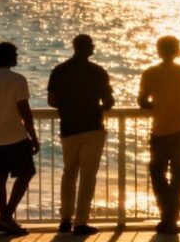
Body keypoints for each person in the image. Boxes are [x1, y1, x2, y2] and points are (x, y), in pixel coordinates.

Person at [47, 34, 115, 235]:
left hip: (68, 128)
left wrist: (69, 107)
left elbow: (52, 100)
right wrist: (98, 107)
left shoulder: (59, 70)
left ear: (74, 47)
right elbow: (109, 101)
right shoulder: (98, 71)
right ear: (89, 48)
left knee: (69, 173)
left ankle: (65, 219)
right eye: (92, 45)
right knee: (87, 176)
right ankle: (81, 222)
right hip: (93, 127)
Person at [0, 42, 39, 236]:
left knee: (0, 177)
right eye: (16, 55)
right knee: (26, 174)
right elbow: (25, 112)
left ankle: (5, 219)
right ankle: (6, 217)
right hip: (16, 136)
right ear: (10, 58)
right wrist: (33, 136)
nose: (17, 58)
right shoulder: (17, 79)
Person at [138, 35, 180, 235]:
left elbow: (142, 100)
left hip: (161, 130)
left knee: (157, 172)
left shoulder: (150, 73)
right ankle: (171, 215)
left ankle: (166, 213)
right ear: (177, 50)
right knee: (179, 174)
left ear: (159, 50)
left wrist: (157, 106)